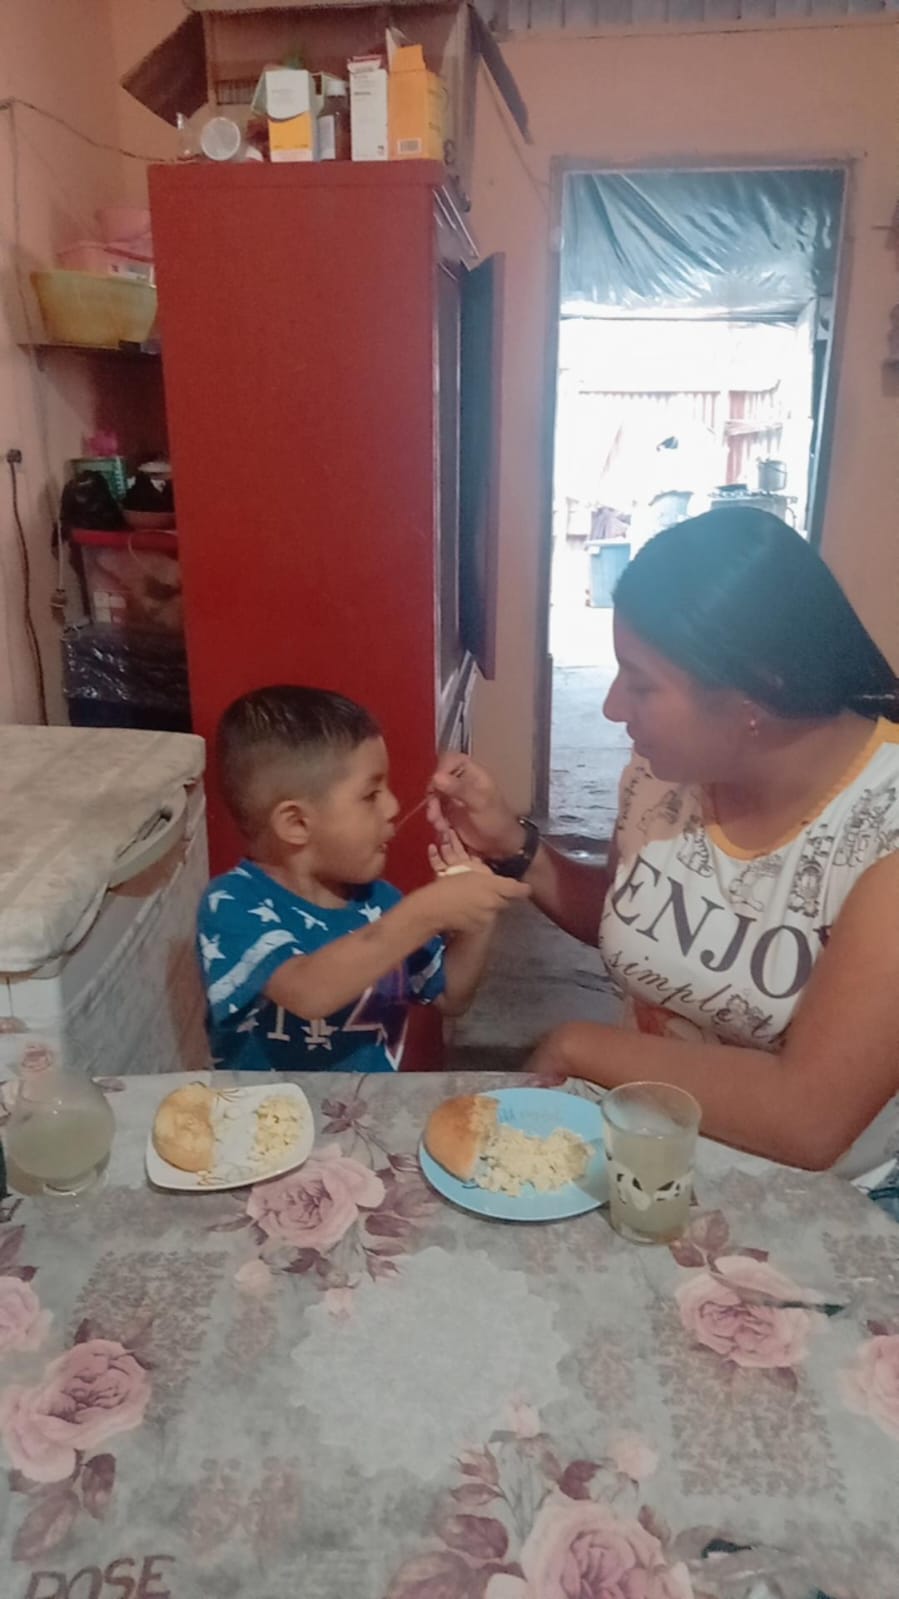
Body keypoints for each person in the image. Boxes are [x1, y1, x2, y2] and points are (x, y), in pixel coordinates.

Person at [429, 508, 899, 1187]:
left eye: (642, 682)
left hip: (817, 1198)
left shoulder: (882, 828)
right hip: (645, 1152)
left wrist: (579, 1045)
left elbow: (807, 1118)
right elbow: (631, 915)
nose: (612, 706)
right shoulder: (663, 774)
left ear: (755, 692)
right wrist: (512, 843)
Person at [197, 685, 528, 1072]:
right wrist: (425, 913)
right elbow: (308, 992)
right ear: (296, 823)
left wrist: (478, 917)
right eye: (371, 794)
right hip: (269, 1110)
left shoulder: (378, 902)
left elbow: (450, 997)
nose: (393, 806)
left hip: (364, 1108)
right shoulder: (232, 903)